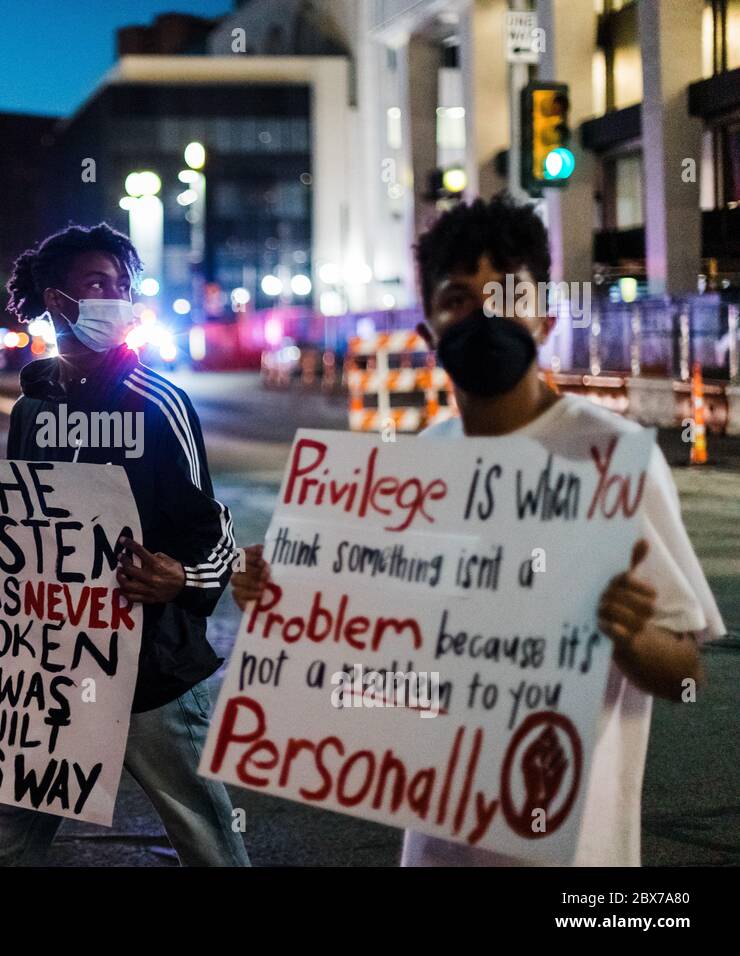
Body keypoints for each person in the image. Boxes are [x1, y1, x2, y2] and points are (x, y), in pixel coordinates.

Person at [231, 196, 725, 866]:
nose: (485, 315)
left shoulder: (611, 456)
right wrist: (280, 602)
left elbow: (684, 673)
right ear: (428, 329)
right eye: (460, 298)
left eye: (507, 295)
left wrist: (629, 634)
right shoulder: (410, 472)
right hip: (438, 843)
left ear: (545, 317)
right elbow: (373, 657)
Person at [0, 222, 250, 866]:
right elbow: (18, 532)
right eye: (98, 284)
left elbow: (213, 528)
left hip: (151, 668)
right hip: (53, 667)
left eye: (123, 284)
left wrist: (183, 581)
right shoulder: (32, 413)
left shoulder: (160, 403)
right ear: (56, 300)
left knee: (211, 845)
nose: (116, 297)